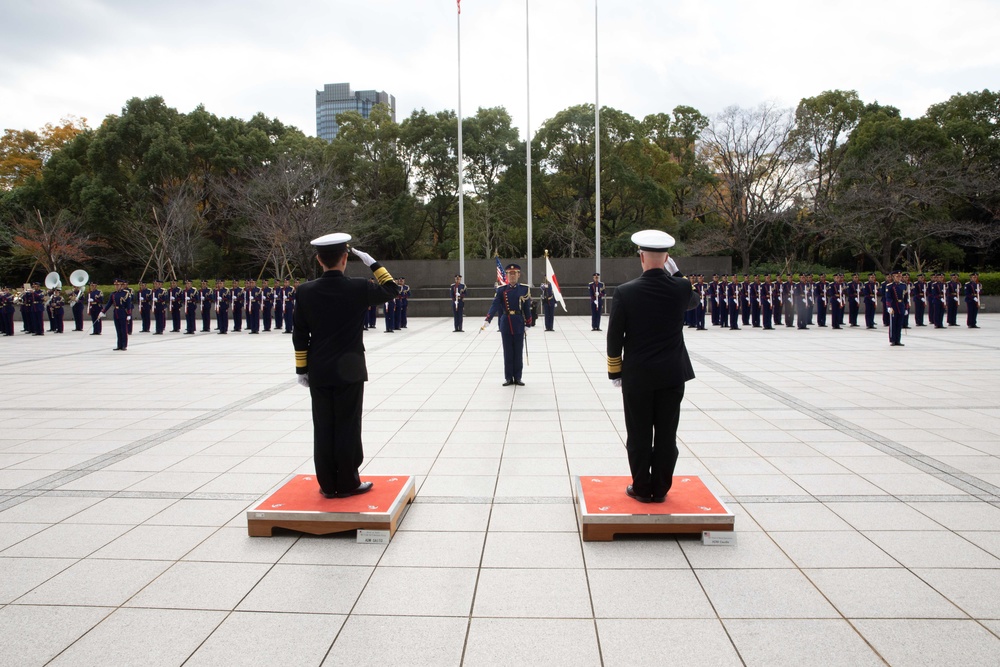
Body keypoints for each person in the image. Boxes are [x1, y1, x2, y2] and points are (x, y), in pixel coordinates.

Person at [293, 233, 400, 498]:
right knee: (347, 426)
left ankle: (328, 484)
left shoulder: (305, 291)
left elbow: (299, 334)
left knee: (324, 425)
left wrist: (302, 369)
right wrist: (373, 264)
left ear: (319, 260)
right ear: (345, 259)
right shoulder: (358, 287)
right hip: (350, 369)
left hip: (318, 369)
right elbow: (391, 290)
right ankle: (349, 481)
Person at [607, 229, 698, 503]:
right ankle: (661, 489)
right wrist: (677, 273)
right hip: (672, 375)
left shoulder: (625, 292)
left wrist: (615, 371)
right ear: (667, 258)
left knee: (639, 434)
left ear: (641, 258)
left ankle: (641, 487)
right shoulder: (681, 288)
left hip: (638, 377)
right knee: (667, 434)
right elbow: (694, 302)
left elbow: (614, 337)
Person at [483, 263, 533, 386]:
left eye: (514, 274)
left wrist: (529, 322)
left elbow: (527, 307)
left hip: (518, 322)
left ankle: (518, 377)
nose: (512, 276)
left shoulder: (524, 289)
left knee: (518, 351)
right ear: (506, 275)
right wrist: (488, 319)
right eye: (509, 274)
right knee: (508, 352)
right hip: (506, 322)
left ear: (518, 275)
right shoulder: (501, 290)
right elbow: (494, 305)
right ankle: (508, 378)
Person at [99, 278, 133, 350]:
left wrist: (129, 314)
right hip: (116, 312)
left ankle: (124, 345)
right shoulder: (113, 294)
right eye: (115, 285)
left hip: (123, 312)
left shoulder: (126, 293)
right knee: (118, 329)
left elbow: (128, 305)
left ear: (121, 285)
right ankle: (119, 345)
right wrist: (103, 311)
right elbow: (109, 304)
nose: (116, 286)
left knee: (124, 329)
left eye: (118, 285)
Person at [886, 270, 906, 346]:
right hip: (894, 306)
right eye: (897, 276)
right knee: (893, 324)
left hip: (901, 306)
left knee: (899, 324)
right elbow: (888, 297)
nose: (899, 277)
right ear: (893, 277)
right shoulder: (890, 286)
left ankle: (898, 340)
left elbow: (905, 297)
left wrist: (906, 307)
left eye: (900, 276)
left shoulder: (903, 285)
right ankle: (893, 340)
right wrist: (889, 307)